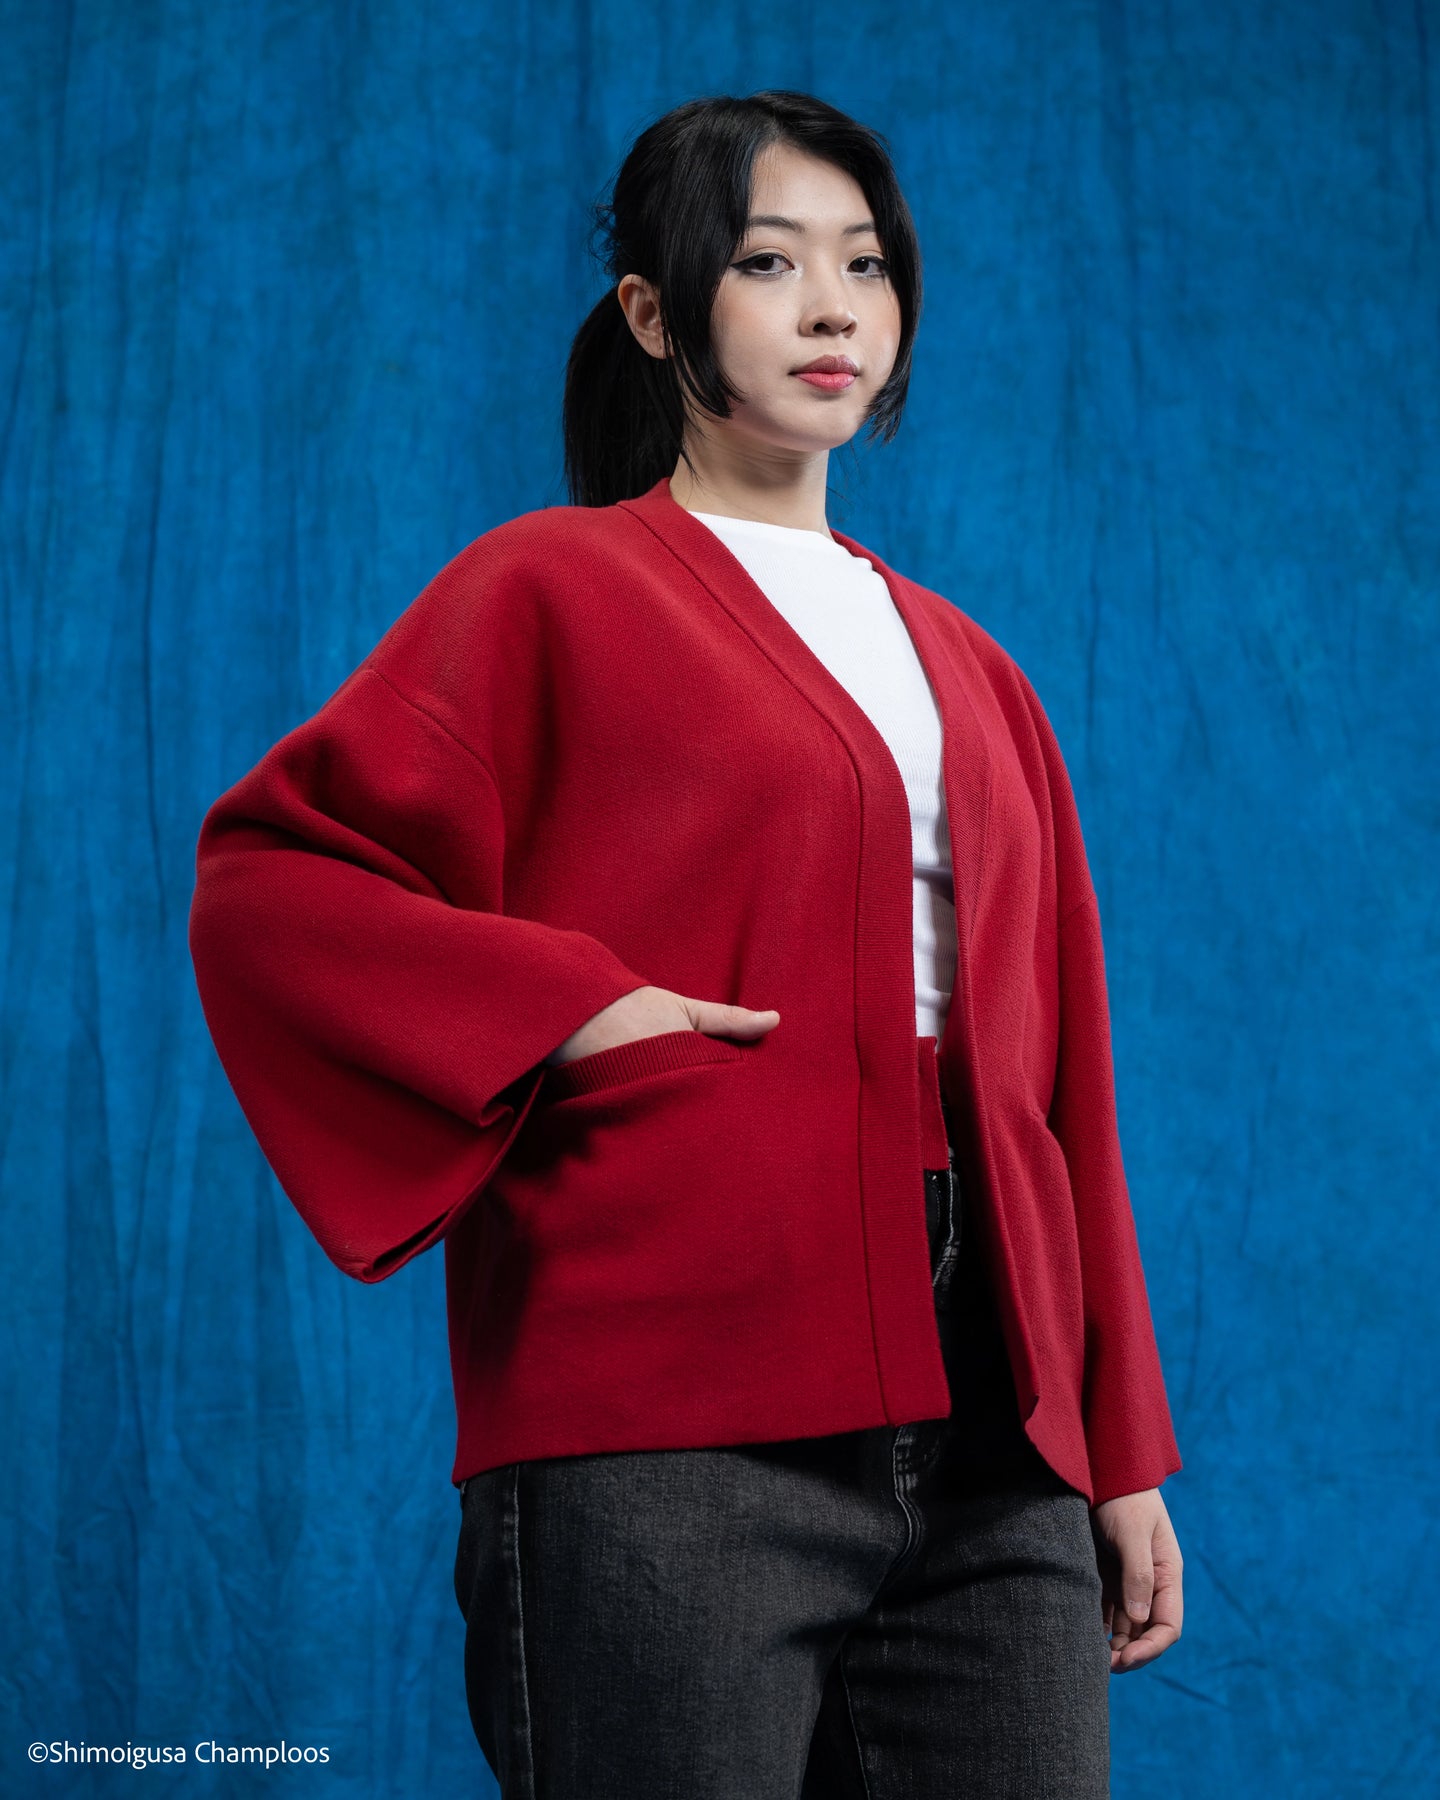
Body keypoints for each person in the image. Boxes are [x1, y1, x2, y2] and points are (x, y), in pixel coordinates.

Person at [189, 89, 1184, 1799]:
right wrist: (568, 1009)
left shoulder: (978, 670)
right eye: (769, 263)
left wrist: (1118, 1443)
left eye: (865, 265)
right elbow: (276, 879)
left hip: (997, 1442)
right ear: (655, 313)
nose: (833, 309)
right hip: (660, 1420)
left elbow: (1058, 1084)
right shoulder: (546, 592)